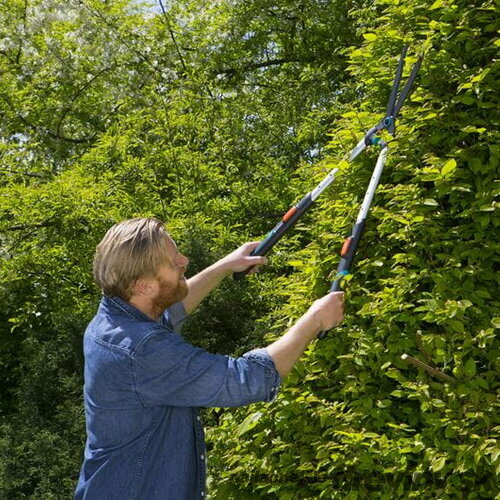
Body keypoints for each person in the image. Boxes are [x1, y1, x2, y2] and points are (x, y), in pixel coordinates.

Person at [75, 217, 344, 499]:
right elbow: (247, 379)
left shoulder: (115, 317)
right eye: (172, 261)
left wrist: (226, 265)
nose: (184, 260)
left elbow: (168, 311)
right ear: (143, 286)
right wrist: (314, 320)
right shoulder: (140, 350)